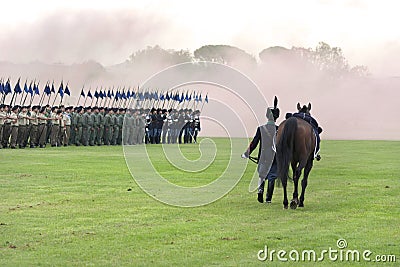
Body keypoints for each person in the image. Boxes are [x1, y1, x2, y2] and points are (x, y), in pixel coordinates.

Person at [242, 96, 280, 203]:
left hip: (263, 156)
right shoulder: (279, 130)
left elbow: (254, 143)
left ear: (267, 116)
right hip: (274, 157)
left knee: (262, 174)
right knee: (272, 176)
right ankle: (268, 198)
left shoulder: (261, 129)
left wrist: (246, 153)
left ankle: (260, 190)